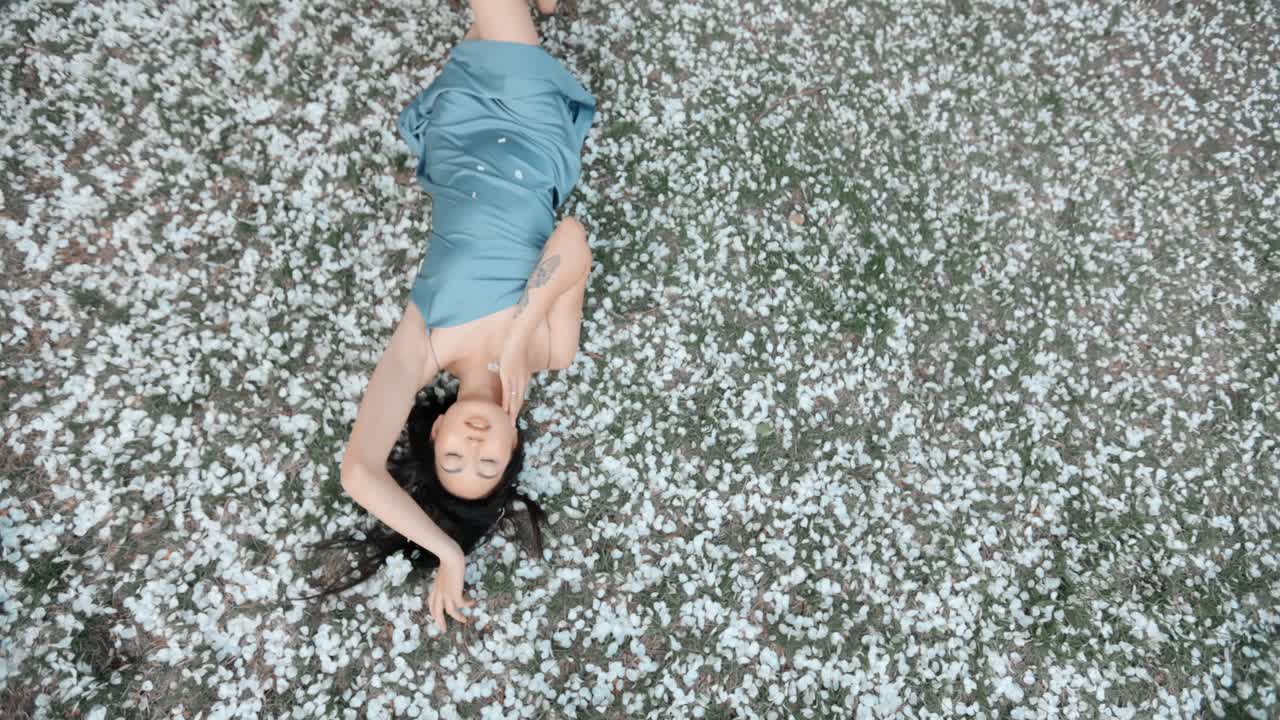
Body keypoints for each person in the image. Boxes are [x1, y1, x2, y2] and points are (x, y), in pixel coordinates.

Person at [302, 0, 595, 632]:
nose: (473, 445)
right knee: (501, 27)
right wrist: (521, 334)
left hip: (457, 138)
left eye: (454, 458)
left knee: (496, 32)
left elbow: (358, 471)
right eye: (488, 463)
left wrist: (447, 549)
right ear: (513, 444)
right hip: (533, 138)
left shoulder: (422, 347)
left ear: (435, 434)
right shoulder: (551, 353)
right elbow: (572, 239)